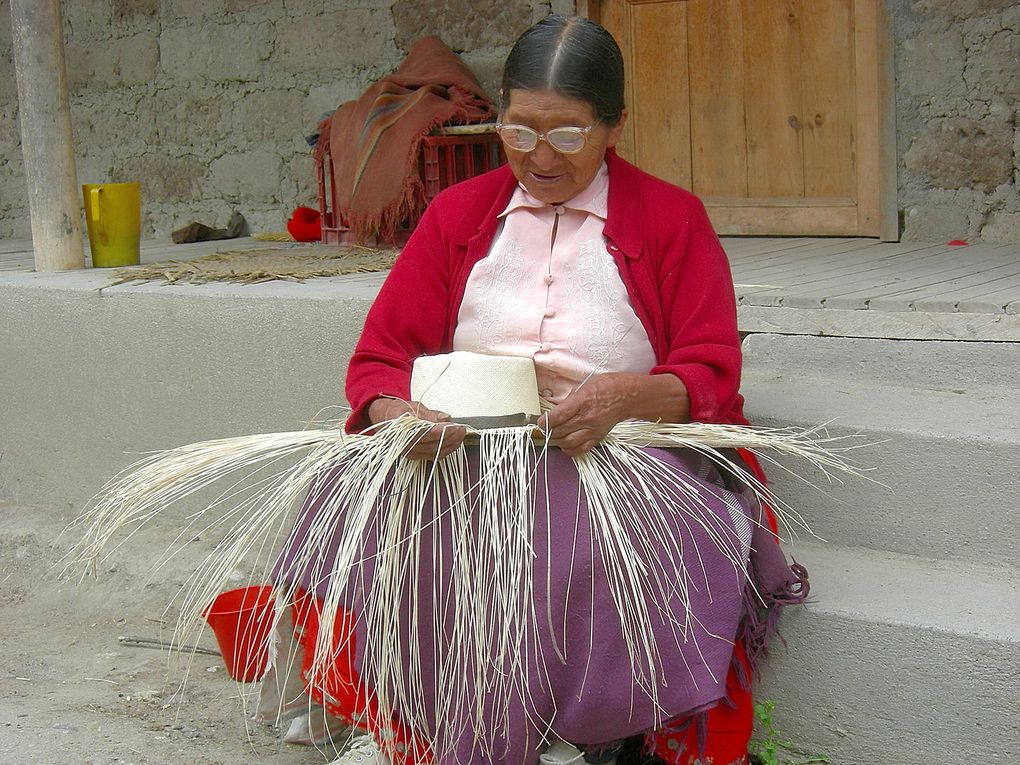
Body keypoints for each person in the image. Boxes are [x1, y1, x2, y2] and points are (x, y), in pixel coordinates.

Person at [268, 14, 806, 765]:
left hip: (618, 450)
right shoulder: (459, 215)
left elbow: (710, 370)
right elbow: (379, 356)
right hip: (461, 446)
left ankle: (556, 728)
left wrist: (621, 397)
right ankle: (397, 711)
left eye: (567, 135)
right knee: (341, 497)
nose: (539, 158)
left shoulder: (671, 219)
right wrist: (398, 414)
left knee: (556, 534)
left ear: (614, 125)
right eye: (519, 132)